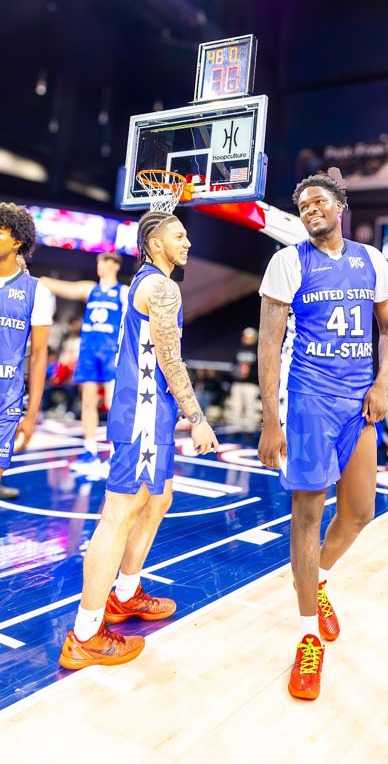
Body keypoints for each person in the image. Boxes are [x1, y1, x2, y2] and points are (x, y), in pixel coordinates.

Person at [257, 173, 388, 701]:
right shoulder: (288, 261)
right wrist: (271, 420)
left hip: (358, 403)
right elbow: (269, 345)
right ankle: (307, 638)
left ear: (340, 206)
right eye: (303, 205)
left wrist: (382, 381)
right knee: (307, 515)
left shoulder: (372, 260)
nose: (310, 209)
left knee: (360, 512)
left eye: (319, 201)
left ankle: (315, 578)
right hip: (309, 401)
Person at [58, 210, 219, 670]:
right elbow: (170, 359)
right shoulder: (162, 288)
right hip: (143, 416)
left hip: (152, 414)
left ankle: (125, 594)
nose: (188, 243)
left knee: (160, 498)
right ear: (154, 243)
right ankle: (85, 634)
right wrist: (197, 417)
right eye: (179, 236)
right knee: (118, 516)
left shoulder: (148, 282)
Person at [41, 254, 128, 471]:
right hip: (89, 352)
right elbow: (63, 287)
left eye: (104, 262)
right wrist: (37, 280)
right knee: (88, 402)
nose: (99, 265)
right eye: (98, 262)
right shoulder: (90, 289)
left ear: (115, 266)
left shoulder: (123, 292)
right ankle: (90, 451)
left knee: (113, 404)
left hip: (111, 353)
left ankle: (117, 453)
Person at [0, 204, 52, 500]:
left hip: (7, 399)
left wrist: (31, 415)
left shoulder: (37, 292)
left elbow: (39, 355)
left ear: (17, 241)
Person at [227, 326, 260, 431]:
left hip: (251, 384)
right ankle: (236, 428)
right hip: (238, 382)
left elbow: (260, 369)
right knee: (236, 407)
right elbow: (233, 366)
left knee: (250, 406)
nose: (247, 339)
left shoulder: (258, 351)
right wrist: (238, 373)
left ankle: (250, 430)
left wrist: (250, 373)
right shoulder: (239, 350)